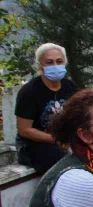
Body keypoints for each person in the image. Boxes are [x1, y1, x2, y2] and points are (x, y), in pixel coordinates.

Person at [14, 43, 79, 173]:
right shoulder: (29, 92)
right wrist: (57, 140)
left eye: (59, 61)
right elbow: (24, 130)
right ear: (40, 65)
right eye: (49, 62)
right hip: (35, 144)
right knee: (62, 160)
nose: (55, 65)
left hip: (64, 139)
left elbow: (79, 115)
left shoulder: (70, 86)